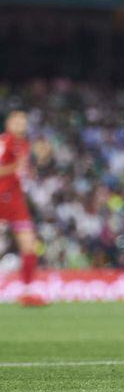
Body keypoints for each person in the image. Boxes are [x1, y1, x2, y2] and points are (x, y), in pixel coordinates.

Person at [0, 110, 46, 307]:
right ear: (9, 123)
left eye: (24, 121)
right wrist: (14, 167)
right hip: (1, 197)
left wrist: (41, 160)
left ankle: (27, 292)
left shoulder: (24, 145)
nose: (21, 124)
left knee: (29, 245)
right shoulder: (4, 141)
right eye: (17, 120)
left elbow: (23, 171)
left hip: (17, 200)